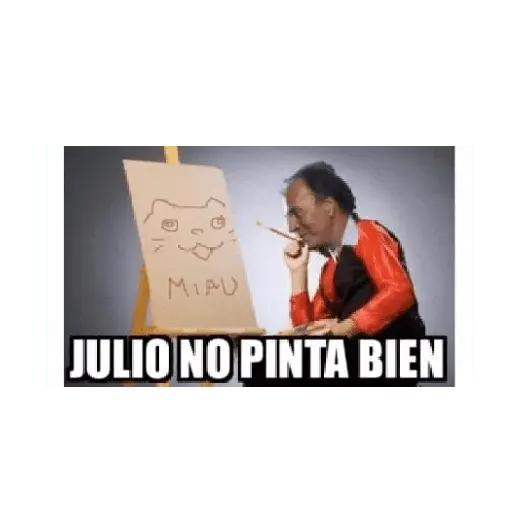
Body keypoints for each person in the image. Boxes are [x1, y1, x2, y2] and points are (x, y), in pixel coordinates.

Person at [243, 161, 426, 392]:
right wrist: (298, 272)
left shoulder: (367, 232)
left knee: (267, 369)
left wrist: (344, 327)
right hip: (353, 362)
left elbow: (399, 292)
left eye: (297, 212)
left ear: (329, 207)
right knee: (261, 365)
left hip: (388, 360)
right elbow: (308, 329)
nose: (291, 226)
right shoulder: (330, 268)